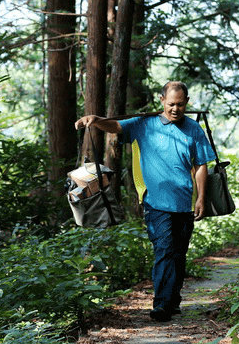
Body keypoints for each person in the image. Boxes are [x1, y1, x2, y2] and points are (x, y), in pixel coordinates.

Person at [74, 81, 215, 322]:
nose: (175, 109)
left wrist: (201, 198)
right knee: (164, 250)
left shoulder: (193, 129)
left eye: (181, 105)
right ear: (162, 101)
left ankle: (173, 299)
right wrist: (96, 120)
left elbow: (201, 165)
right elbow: (115, 126)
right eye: (171, 104)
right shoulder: (144, 124)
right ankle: (161, 305)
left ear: (187, 103)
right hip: (155, 203)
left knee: (179, 254)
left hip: (184, 204)